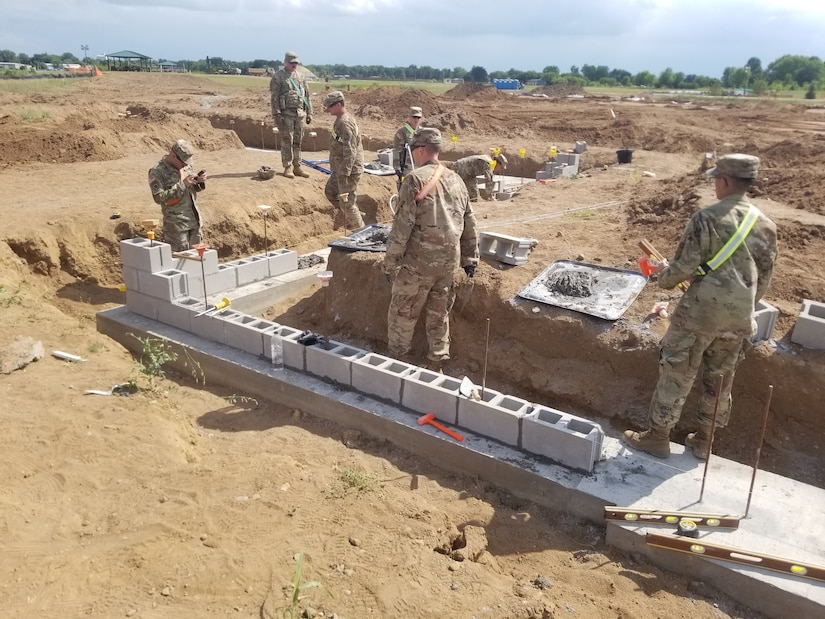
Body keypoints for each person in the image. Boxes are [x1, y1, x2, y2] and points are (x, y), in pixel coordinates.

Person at [622, 154, 777, 460]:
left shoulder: (706, 219)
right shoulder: (767, 226)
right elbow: (764, 281)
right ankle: (704, 442)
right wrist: (740, 305)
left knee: (677, 373)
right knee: (719, 381)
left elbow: (681, 270)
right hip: (739, 319)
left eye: (715, 180)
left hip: (698, 315)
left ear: (724, 181)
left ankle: (657, 437)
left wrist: (662, 275)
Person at [382, 127, 479, 368]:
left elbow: (402, 227)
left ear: (422, 149)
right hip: (448, 263)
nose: (413, 155)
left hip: (419, 263)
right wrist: (470, 259)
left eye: (414, 150)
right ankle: (437, 361)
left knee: (403, 312)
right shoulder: (456, 179)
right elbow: (470, 222)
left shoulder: (415, 179)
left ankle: (397, 362)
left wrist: (390, 262)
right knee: (439, 314)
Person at [148, 139, 206, 252]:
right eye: (183, 161)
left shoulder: (186, 166)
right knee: (180, 260)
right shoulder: (157, 172)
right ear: (174, 156)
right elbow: (159, 197)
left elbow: (192, 190)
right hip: (176, 226)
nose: (185, 164)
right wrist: (182, 184)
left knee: (198, 260)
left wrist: (199, 182)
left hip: (194, 222)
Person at [322, 90, 365, 229]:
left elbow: (350, 151)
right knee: (330, 192)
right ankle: (353, 215)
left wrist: (345, 174)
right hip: (339, 169)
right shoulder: (340, 120)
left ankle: (359, 230)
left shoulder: (345, 123)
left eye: (330, 106)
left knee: (347, 203)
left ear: (339, 104)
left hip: (348, 171)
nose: (328, 110)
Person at [270, 51, 312, 179]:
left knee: (298, 141)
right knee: (287, 140)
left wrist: (309, 112)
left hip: (299, 114)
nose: (294, 65)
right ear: (285, 62)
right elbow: (274, 97)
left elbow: (307, 96)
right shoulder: (278, 77)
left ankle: (297, 166)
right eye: (291, 62)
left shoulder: (301, 76)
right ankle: (287, 167)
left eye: (296, 63)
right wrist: (277, 114)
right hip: (285, 114)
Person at [392, 106, 423, 189]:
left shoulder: (422, 133)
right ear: (409, 117)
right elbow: (396, 150)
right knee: (405, 192)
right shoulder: (402, 133)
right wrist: (397, 168)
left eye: (418, 117)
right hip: (406, 169)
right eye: (414, 117)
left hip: (419, 168)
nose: (416, 120)